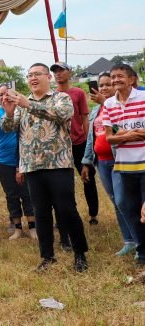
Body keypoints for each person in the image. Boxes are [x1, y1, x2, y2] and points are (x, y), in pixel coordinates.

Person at [0, 63, 89, 272]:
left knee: (67, 210)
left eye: (37, 74)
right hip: (33, 167)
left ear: (48, 77)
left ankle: (80, 254)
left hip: (58, 164)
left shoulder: (60, 98)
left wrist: (28, 105)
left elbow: (63, 115)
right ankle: (47, 256)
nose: (32, 78)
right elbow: (8, 128)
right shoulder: (22, 103)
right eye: (29, 75)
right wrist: (10, 113)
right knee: (41, 213)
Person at [82, 72, 137, 256]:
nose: (104, 88)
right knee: (116, 201)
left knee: (124, 200)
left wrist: (105, 103)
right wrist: (86, 161)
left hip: (119, 159)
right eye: (101, 85)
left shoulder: (120, 107)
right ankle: (129, 240)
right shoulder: (95, 111)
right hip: (101, 161)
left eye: (108, 84)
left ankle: (139, 240)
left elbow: (121, 131)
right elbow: (91, 138)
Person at [102, 64, 145, 265]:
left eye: (120, 76)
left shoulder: (143, 98)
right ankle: (142, 252)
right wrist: (131, 135)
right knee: (129, 208)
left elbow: (117, 136)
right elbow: (109, 138)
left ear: (131, 79)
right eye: (113, 77)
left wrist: (123, 135)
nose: (115, 80)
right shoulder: (109, 104)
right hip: (124, 166)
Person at [0, 84, 36, 241]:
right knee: (11, 194)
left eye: (7, 94)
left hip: (25, 158)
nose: (4, 97)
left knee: (27, 193)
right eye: (1, 95)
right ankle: (17, 228)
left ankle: (33, 228)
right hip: (3, 160)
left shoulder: (23, 111)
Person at [51, 62, 98, 225]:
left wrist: (88, 141)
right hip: (59, 145)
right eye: (55, 71)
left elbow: (85, 118)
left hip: (79, 143)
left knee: (88, 178)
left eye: (61, 70)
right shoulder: (51, 95)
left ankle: (93, 214)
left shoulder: (78, 93)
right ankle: (66, 215)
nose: (58, 74)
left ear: (69, 72)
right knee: (62, 183)